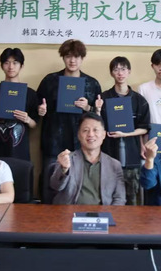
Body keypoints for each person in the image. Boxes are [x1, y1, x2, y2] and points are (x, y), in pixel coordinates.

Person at [37, 39, 102, 202]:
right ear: (63, 57)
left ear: (82, 58)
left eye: (77, 56)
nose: (72, 60)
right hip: (53, 141)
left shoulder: (92, 84)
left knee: (79, 188)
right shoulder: (50, 80)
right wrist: (41, 110)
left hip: (81, 144)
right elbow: (37, 106)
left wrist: (88, 107)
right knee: (50, 184)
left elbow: (98, 117)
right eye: (68, 56)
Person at [0, 47, 46, 161]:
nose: (11, 67)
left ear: (21, 66)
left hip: (19, 152)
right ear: (1, 66)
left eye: (15, 63)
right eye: (6, 63)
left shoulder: (30, 94)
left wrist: (27, 119)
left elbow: (35, 124)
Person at [99, 56, 150, 205]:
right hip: (109, 156)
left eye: (123, 69)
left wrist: (126, 133)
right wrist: (96, 109)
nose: (120, 73)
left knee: (132, 202)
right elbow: (97, 125)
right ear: (111, 73)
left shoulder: (139, 100)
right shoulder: (104, 98)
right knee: (108, 200)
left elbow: (145, 128)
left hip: (132, 157)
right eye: (116, 69)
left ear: (129, 71)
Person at [50, 113, 126, 205]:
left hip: (103, 213)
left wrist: (109, 213)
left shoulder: (114, 165)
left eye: (95, 130)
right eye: (85, 130)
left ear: (103, 135)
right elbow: (55, 186)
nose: (91, 134)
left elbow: (120, 198)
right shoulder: (67, 159)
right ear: (78, 135)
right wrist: (64, 169)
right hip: (70, 212)